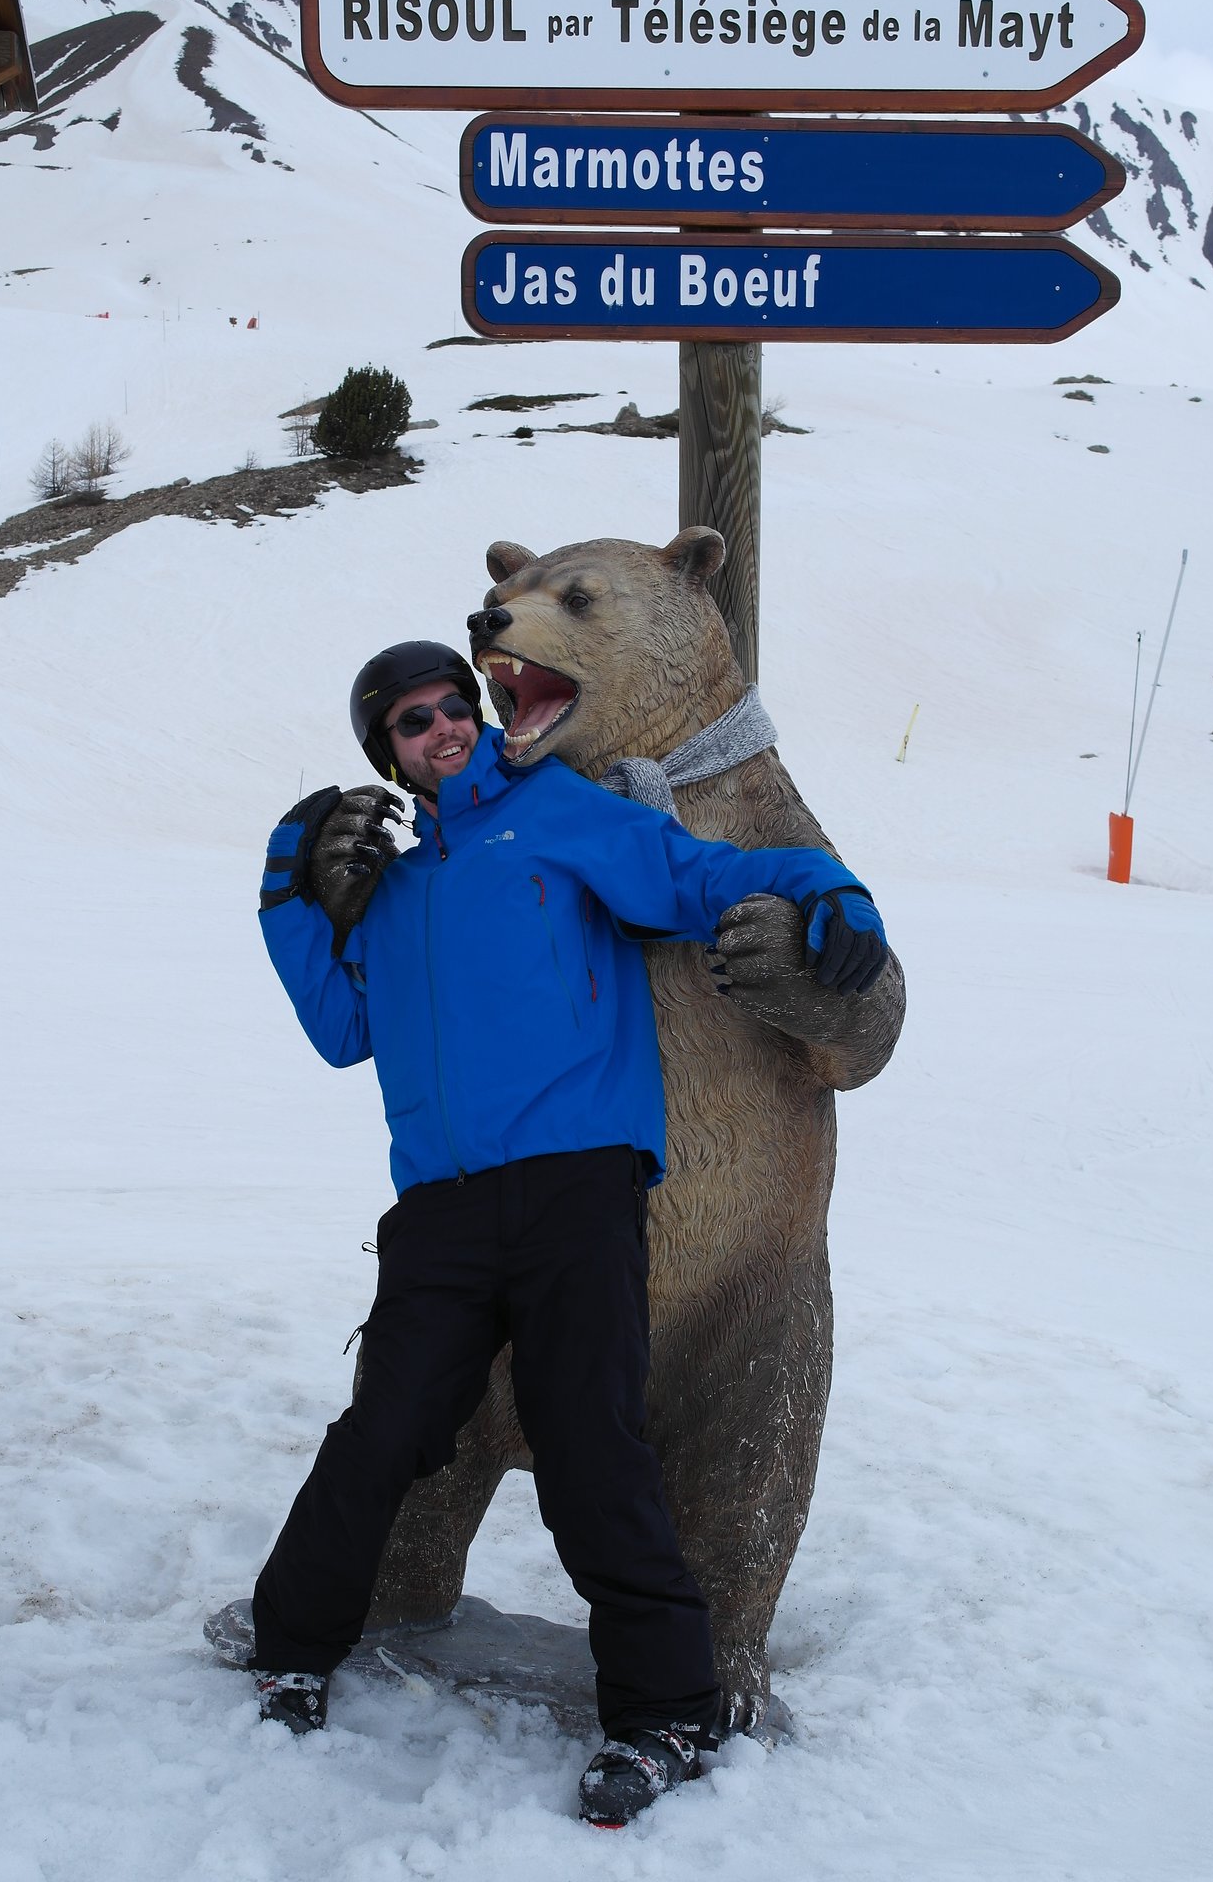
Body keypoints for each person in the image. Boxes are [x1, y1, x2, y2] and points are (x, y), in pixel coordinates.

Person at [251, 638, 889, 1826]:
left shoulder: (559, 814)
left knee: (588, 1443)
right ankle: (292, 1644)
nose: (441, 727)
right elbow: (343, 1027)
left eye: (453, 704)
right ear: (384, 752)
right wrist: (290, 888)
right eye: (409, 722)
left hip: (573, 1192)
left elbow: (701, 877)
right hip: (438, 1211)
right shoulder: (392, 893)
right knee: (382, 1433)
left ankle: (661, 1718)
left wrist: (826, 891)